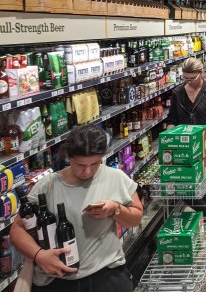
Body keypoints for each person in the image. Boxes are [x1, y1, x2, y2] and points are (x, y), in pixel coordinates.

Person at [11, 124, 143, 292]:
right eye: (80, 165)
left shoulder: (115, 178)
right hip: (58, 282)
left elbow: (136, 217)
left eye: (95, 164)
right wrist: (39, 255)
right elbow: (17, 230)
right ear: (69, 157)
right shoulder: (48, 186)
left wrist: (115, 209)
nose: (87, 171)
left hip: (106, 277)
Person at [167, 57, 206, 218]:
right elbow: (172, 120)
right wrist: (170, 139)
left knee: (203, 186)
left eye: (192, 78)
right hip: (183, 149)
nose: (189, 82)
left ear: (201, 74)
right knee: (184, 188)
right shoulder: (178, 93)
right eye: (185, 78)